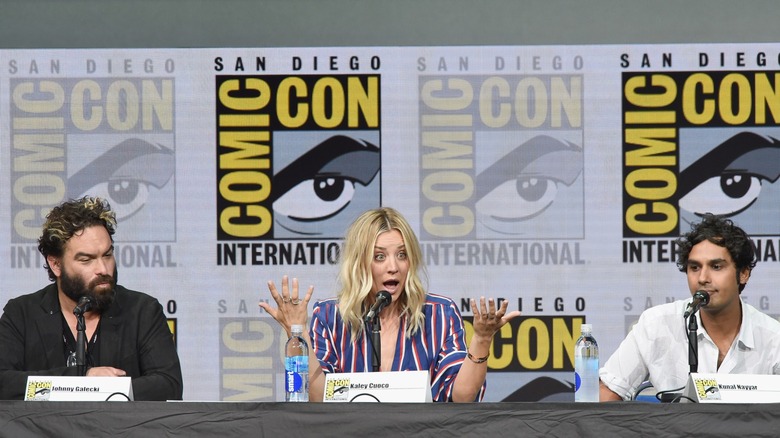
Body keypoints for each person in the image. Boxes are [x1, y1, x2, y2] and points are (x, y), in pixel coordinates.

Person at [260, 207, 521, 402]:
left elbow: (461, 397)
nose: (393, 267)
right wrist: (298, 332)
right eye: (379, 257)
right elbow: (320, 399)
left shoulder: (439, 314)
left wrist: (482, 339)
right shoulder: (330, 316)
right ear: (360, 263)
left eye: (402, 255)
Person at [0, 196, 183, 401]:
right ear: (56, 265)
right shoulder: (22, 314)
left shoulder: (142, 311)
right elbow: (4, 383)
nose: (103, 269)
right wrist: (80, 381)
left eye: (107, 255)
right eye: (86, 260)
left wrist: (105, 391)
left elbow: (169, 385)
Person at [599, 214, 780, 401]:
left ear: (743, 274)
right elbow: (608, 390)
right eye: (694, 267)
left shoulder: (774, 338)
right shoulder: (656, 324)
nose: (702, 278)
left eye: (716, 266)